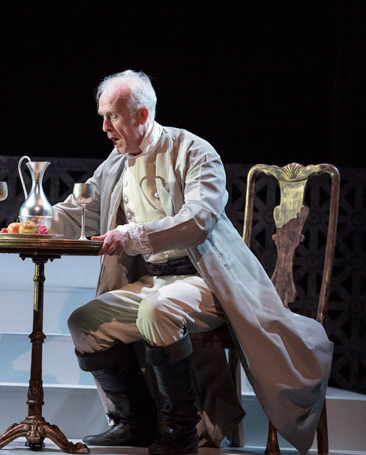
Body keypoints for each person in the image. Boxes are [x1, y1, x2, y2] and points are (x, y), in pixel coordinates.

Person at [50, 70, 332, 455]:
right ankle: (136, 422)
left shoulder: (194, 151)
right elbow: (77, 209)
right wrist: (30, 225)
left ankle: (183, 429)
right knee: (84, 323)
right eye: (103, 116)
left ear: (141, 116)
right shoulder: (115, 163)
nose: (104, 127)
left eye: (112, 116)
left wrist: (133, 236)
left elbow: (199, 219)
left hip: (209, 281)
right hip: (154, 281)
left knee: (157, 309)